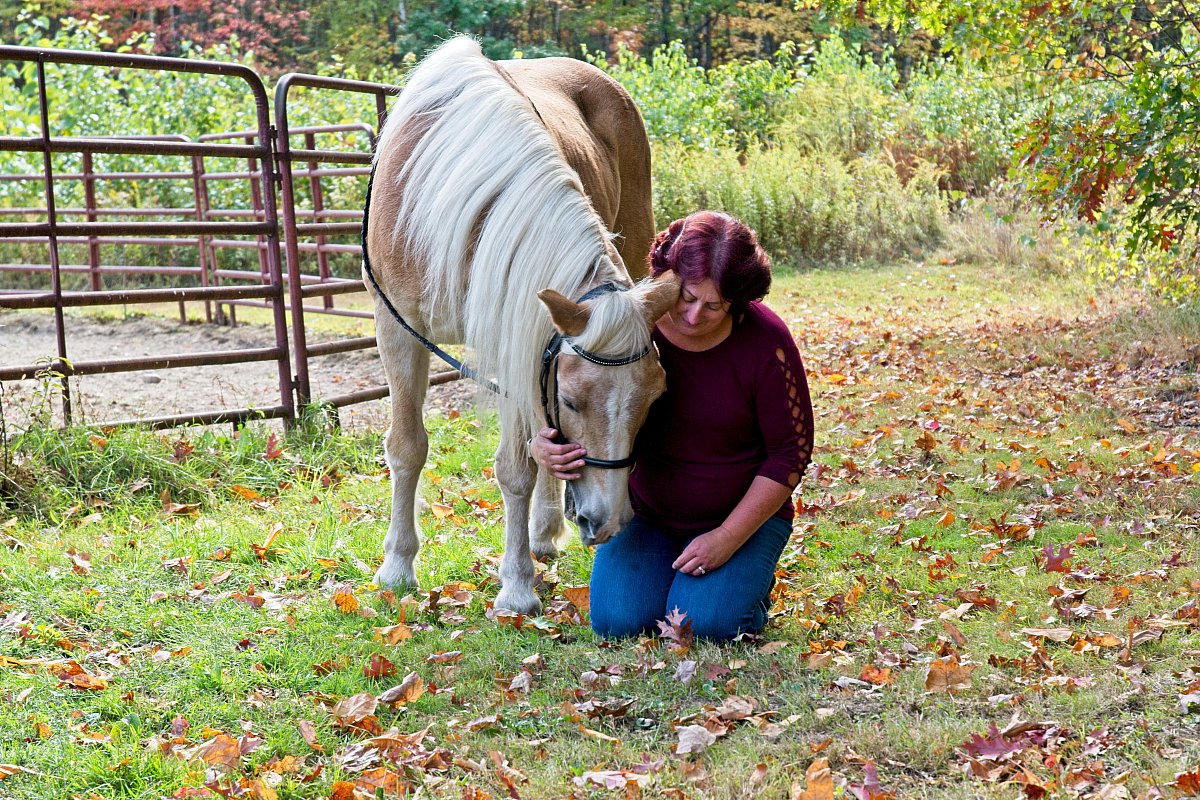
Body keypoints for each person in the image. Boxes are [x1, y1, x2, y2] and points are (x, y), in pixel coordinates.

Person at [530, 210, 814, 640]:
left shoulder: (766, 342)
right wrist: (542, 445)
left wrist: (727, 537)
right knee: (618, 622)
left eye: (714, 304)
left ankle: (744, 585)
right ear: (666, 280)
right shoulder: (629, 329)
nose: (696, 315)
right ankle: (680, 578)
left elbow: (790, 454)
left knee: (710, 624)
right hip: (650, 515)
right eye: (687, 297)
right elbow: (583, 402)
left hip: (736, 516)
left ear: (738, 301)